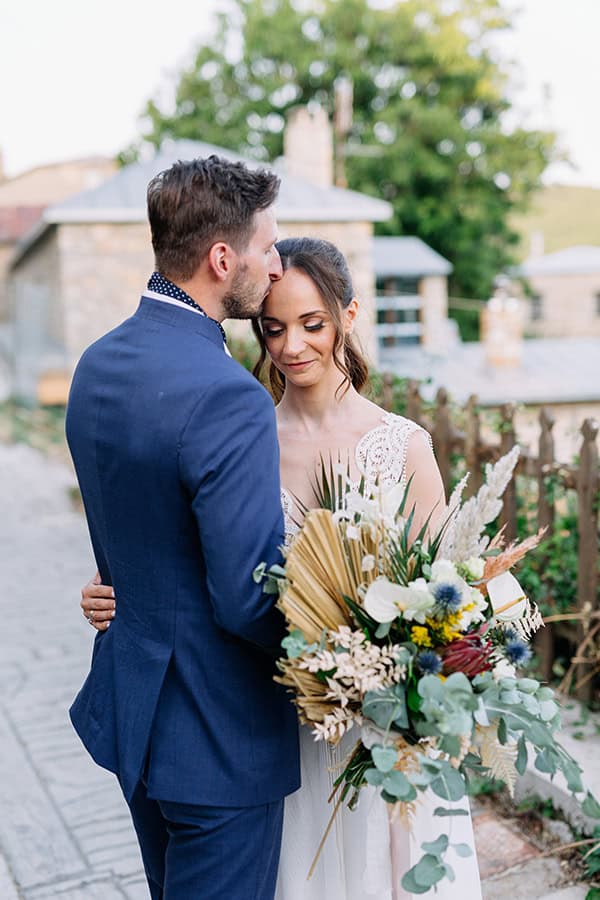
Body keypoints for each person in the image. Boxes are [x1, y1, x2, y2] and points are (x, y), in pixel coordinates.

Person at [81, 237, 482, 898]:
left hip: (384, 729)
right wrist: (110, 593)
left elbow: (450, 597)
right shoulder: (242, 440)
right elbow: (182, 563)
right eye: (274, 328)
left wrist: (403, 669)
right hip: (278, 723)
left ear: (349, 315)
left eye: (311, 324)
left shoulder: (403, 447)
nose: (292, 345)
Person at [66, 155, 300, 900]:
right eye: (266, 247)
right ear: (220, 257)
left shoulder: (95, 366)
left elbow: (132, 524)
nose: (276, 264)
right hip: (219, 739)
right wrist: (347, 651)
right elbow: (247, 597)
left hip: (136, 722)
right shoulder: (227, 397)